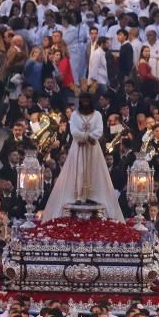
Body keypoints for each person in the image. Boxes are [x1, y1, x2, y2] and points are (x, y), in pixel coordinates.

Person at [40, 93, 123, 221]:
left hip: (93, 149)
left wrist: (89, 137)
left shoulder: (97, 115)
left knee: (94, 171)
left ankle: (92, 195)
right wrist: (85, 137)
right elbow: (73, 130)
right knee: (78, 170)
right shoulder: (74, 115)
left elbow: (99, 130)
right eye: (82, 100)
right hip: (78, 148)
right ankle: (78, 196)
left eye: (87, 100)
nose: (85, 103)